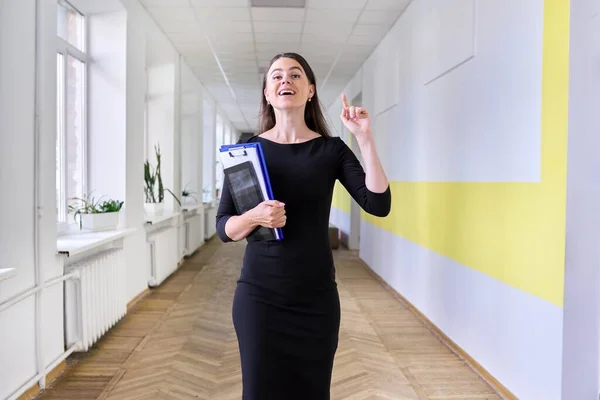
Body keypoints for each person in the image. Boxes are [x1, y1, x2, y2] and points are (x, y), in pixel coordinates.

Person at [215, 52, 391, 400]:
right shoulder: (246, 151)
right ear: (267, 93)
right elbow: (224, 227)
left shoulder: (331, 150)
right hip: (259, 298)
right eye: (277, 76)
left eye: (295, 75)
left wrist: (365, 139)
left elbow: (378, 204)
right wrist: (254, 218)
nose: (286, 81)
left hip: (316, 299)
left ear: (310, 89)